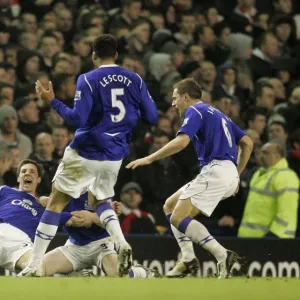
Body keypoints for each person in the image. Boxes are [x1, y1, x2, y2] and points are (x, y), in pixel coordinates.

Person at [19, 34, 158, 277]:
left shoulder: (89, 78)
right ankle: (122, 242)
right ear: (116, 55)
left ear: (94, 55)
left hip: (86, 149)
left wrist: (52, 101)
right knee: (101, 200)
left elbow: (76, 119)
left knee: (55, 201)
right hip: (115, 154)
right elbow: (152, 117)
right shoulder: (135, 79)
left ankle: (34, 264)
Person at [127, 78, 253, 279]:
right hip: (226, 173)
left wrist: (149, 158)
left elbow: (182, 141)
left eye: (175, 98)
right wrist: (236, 175)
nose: (173, 103)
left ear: (186, 96)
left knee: (178, 217)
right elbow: (247, 143)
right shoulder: (219, 114)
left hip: (216, 170)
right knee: (170, 206)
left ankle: (223, 255)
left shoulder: (195, 111)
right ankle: (187, 259)